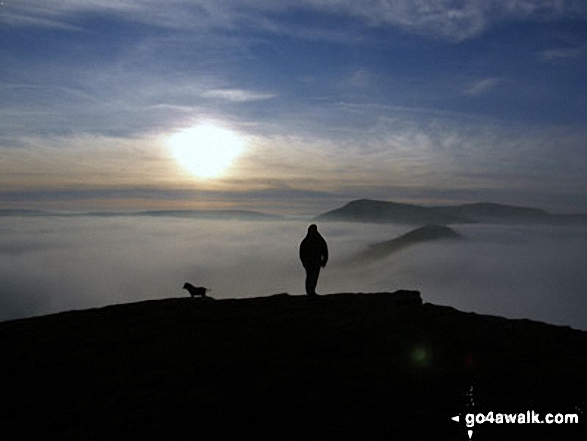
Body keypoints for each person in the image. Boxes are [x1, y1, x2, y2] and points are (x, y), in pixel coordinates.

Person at [299, 224, 328, 296]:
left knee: (314, 277)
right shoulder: (308, 241)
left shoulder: (316, 240)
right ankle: (309, 292)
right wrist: (303, 261)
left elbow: (325, 251)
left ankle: (311, 291)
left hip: (316, 262)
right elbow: (302, 253)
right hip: (310, 263)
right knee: (310, 277)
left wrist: (324, 261)